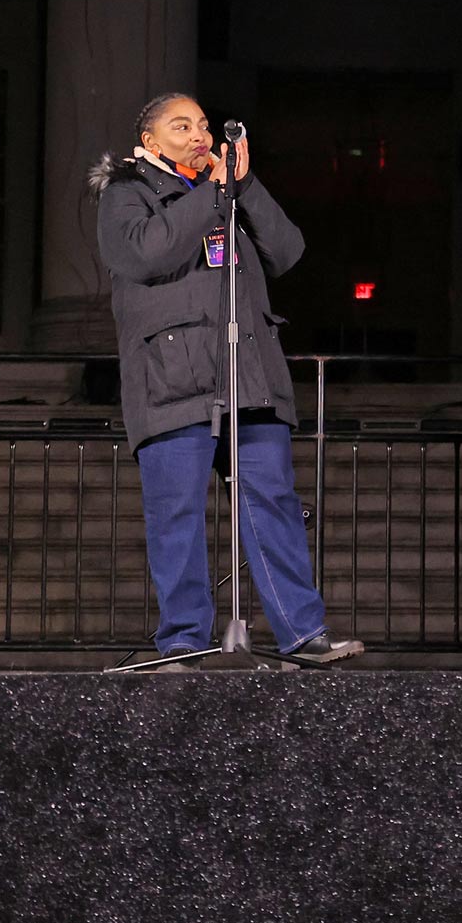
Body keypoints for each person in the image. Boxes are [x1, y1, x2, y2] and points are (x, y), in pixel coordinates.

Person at [90, 93, 362, 668]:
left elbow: (288, 251)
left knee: (275, 504)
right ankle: (185, 639)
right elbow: (147, 255)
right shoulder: (126, 193)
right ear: (149, 140)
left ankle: (301, 633)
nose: (197, 133)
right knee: (178, 515)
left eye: (203, 125)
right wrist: (214, 194)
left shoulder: (228, 193)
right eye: (180, 125)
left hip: (250, 374)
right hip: (172, 375)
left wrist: (244, 183)